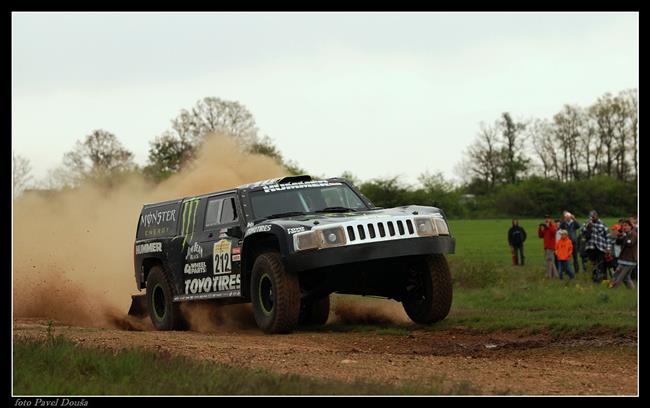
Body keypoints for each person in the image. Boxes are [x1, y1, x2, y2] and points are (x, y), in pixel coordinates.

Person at [581, 210, 610, 283]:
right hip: (590, 247)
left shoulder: (602, 224)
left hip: (601, 247)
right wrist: (588, 226)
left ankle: (601, 278)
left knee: (600, 263)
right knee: (592, 264)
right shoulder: (586, 223)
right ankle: (594, 279)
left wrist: (608, 247)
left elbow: (608, 236)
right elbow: (582, 232)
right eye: (591, 216)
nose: (592, 218)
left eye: (593, 216)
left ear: (597, 216)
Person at [609, 219, 637, 289]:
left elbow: (629, 243)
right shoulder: (625, 235)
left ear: (631, 226)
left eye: (626, 225)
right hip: (623, 260)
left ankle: (613, 289)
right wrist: (618, 235)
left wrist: (623, 237)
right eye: (623, 226)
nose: (624, 227)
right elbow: (618, 242)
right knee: (625, 278)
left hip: (630, 261)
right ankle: (632, 290)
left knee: (619, 277)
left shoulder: (634, 234)